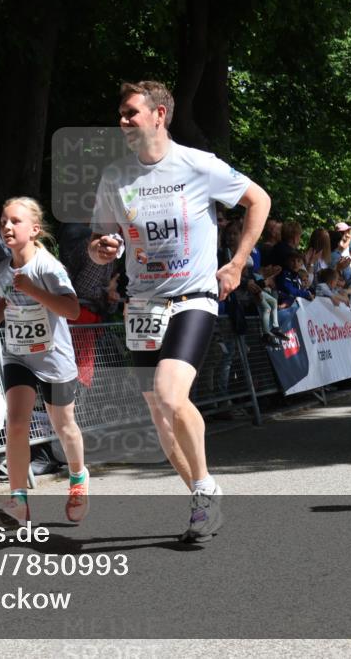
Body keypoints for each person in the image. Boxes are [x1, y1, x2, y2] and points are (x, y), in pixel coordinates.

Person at [89, 80, 270, 542]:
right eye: (121, 113)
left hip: (193, 297)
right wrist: (104, 249)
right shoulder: (115, 177)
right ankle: (202, 500)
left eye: (131, 112)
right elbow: (99, 243)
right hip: (142, 304)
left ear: (159, 115)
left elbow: (259, 200)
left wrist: (236, 263)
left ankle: (206, 486)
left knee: (171, 395)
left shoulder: (197, 164)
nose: (124, 121)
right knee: (158, 414)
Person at [0, 197, 89, 527]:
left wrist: (32, 288)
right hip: (19, 355)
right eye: (4, 221)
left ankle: (78, 479)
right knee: (15, 422)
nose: (7, 227)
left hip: (53, 358)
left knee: (63, 425)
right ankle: (18, 500)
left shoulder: (48, 267)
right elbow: (6, 299)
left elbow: (72, 310)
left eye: (15, 221)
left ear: (34, 229)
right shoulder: (1, 269)